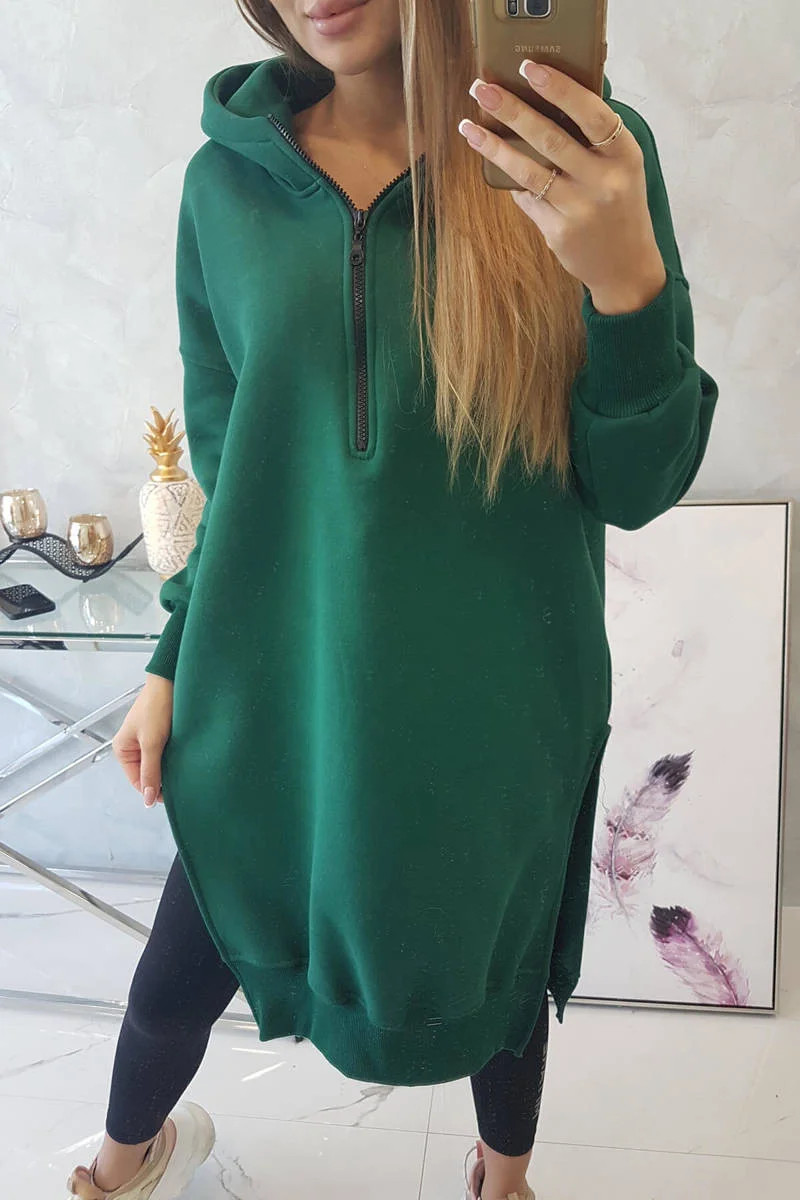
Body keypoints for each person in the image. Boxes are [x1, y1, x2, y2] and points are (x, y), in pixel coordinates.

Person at [67, 2, 719, 1198]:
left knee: (496, 982)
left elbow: (635, 485)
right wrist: (170, 656)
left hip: (494, 697)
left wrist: (627, 283)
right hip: (274, 688)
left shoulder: (570, 150)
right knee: (178, 970)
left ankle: (500, 1183)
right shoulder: (222, 187)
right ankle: (118, 1170)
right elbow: (233, 467)